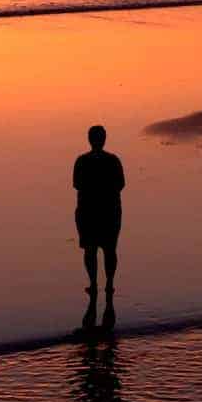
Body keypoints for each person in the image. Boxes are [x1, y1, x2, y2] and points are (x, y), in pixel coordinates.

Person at [73, 125, 125, 300]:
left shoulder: (81, 161)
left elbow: (77, 185)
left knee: (90, 250)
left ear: (89, 140)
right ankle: (109, 283)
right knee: (110, 250)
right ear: (104, 140)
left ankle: (94, 284)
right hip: (110, 211)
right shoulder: (113, 160)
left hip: (88, 212)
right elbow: (121, 185)